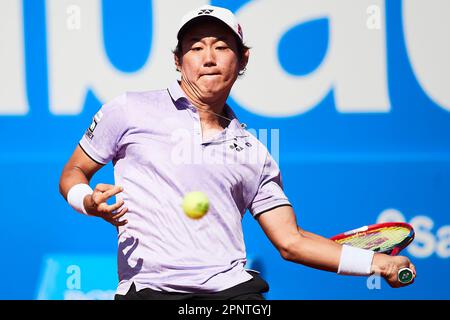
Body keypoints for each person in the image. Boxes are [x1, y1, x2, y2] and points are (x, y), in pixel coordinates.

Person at [59, 5, 416, 300]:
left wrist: (376, 263)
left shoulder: (254, 151)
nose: (208, 58)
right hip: (149, 290)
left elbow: (291, 241)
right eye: (196, 47)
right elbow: (72, 173)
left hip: (230, 295)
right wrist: (88, 201)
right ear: (178, 60)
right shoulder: (128, 109)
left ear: (242, 59)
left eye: (221, 46)